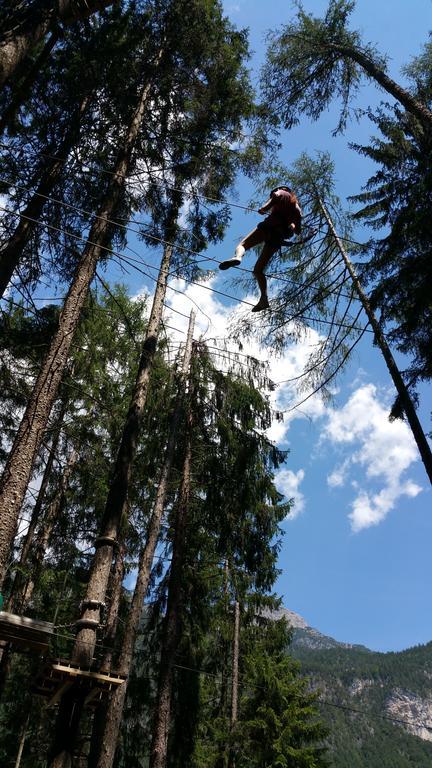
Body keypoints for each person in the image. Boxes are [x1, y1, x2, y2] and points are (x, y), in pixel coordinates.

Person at [219, 186, 302, 312]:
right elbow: (298, 231)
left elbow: (276, 196)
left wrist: (264, 208)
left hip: (268, 227)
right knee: (258, 270)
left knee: (243, 244)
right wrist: (291, 225)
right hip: (277, 238)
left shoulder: (282, 192)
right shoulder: (297, 209)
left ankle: (238, 257)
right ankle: (264, 299)